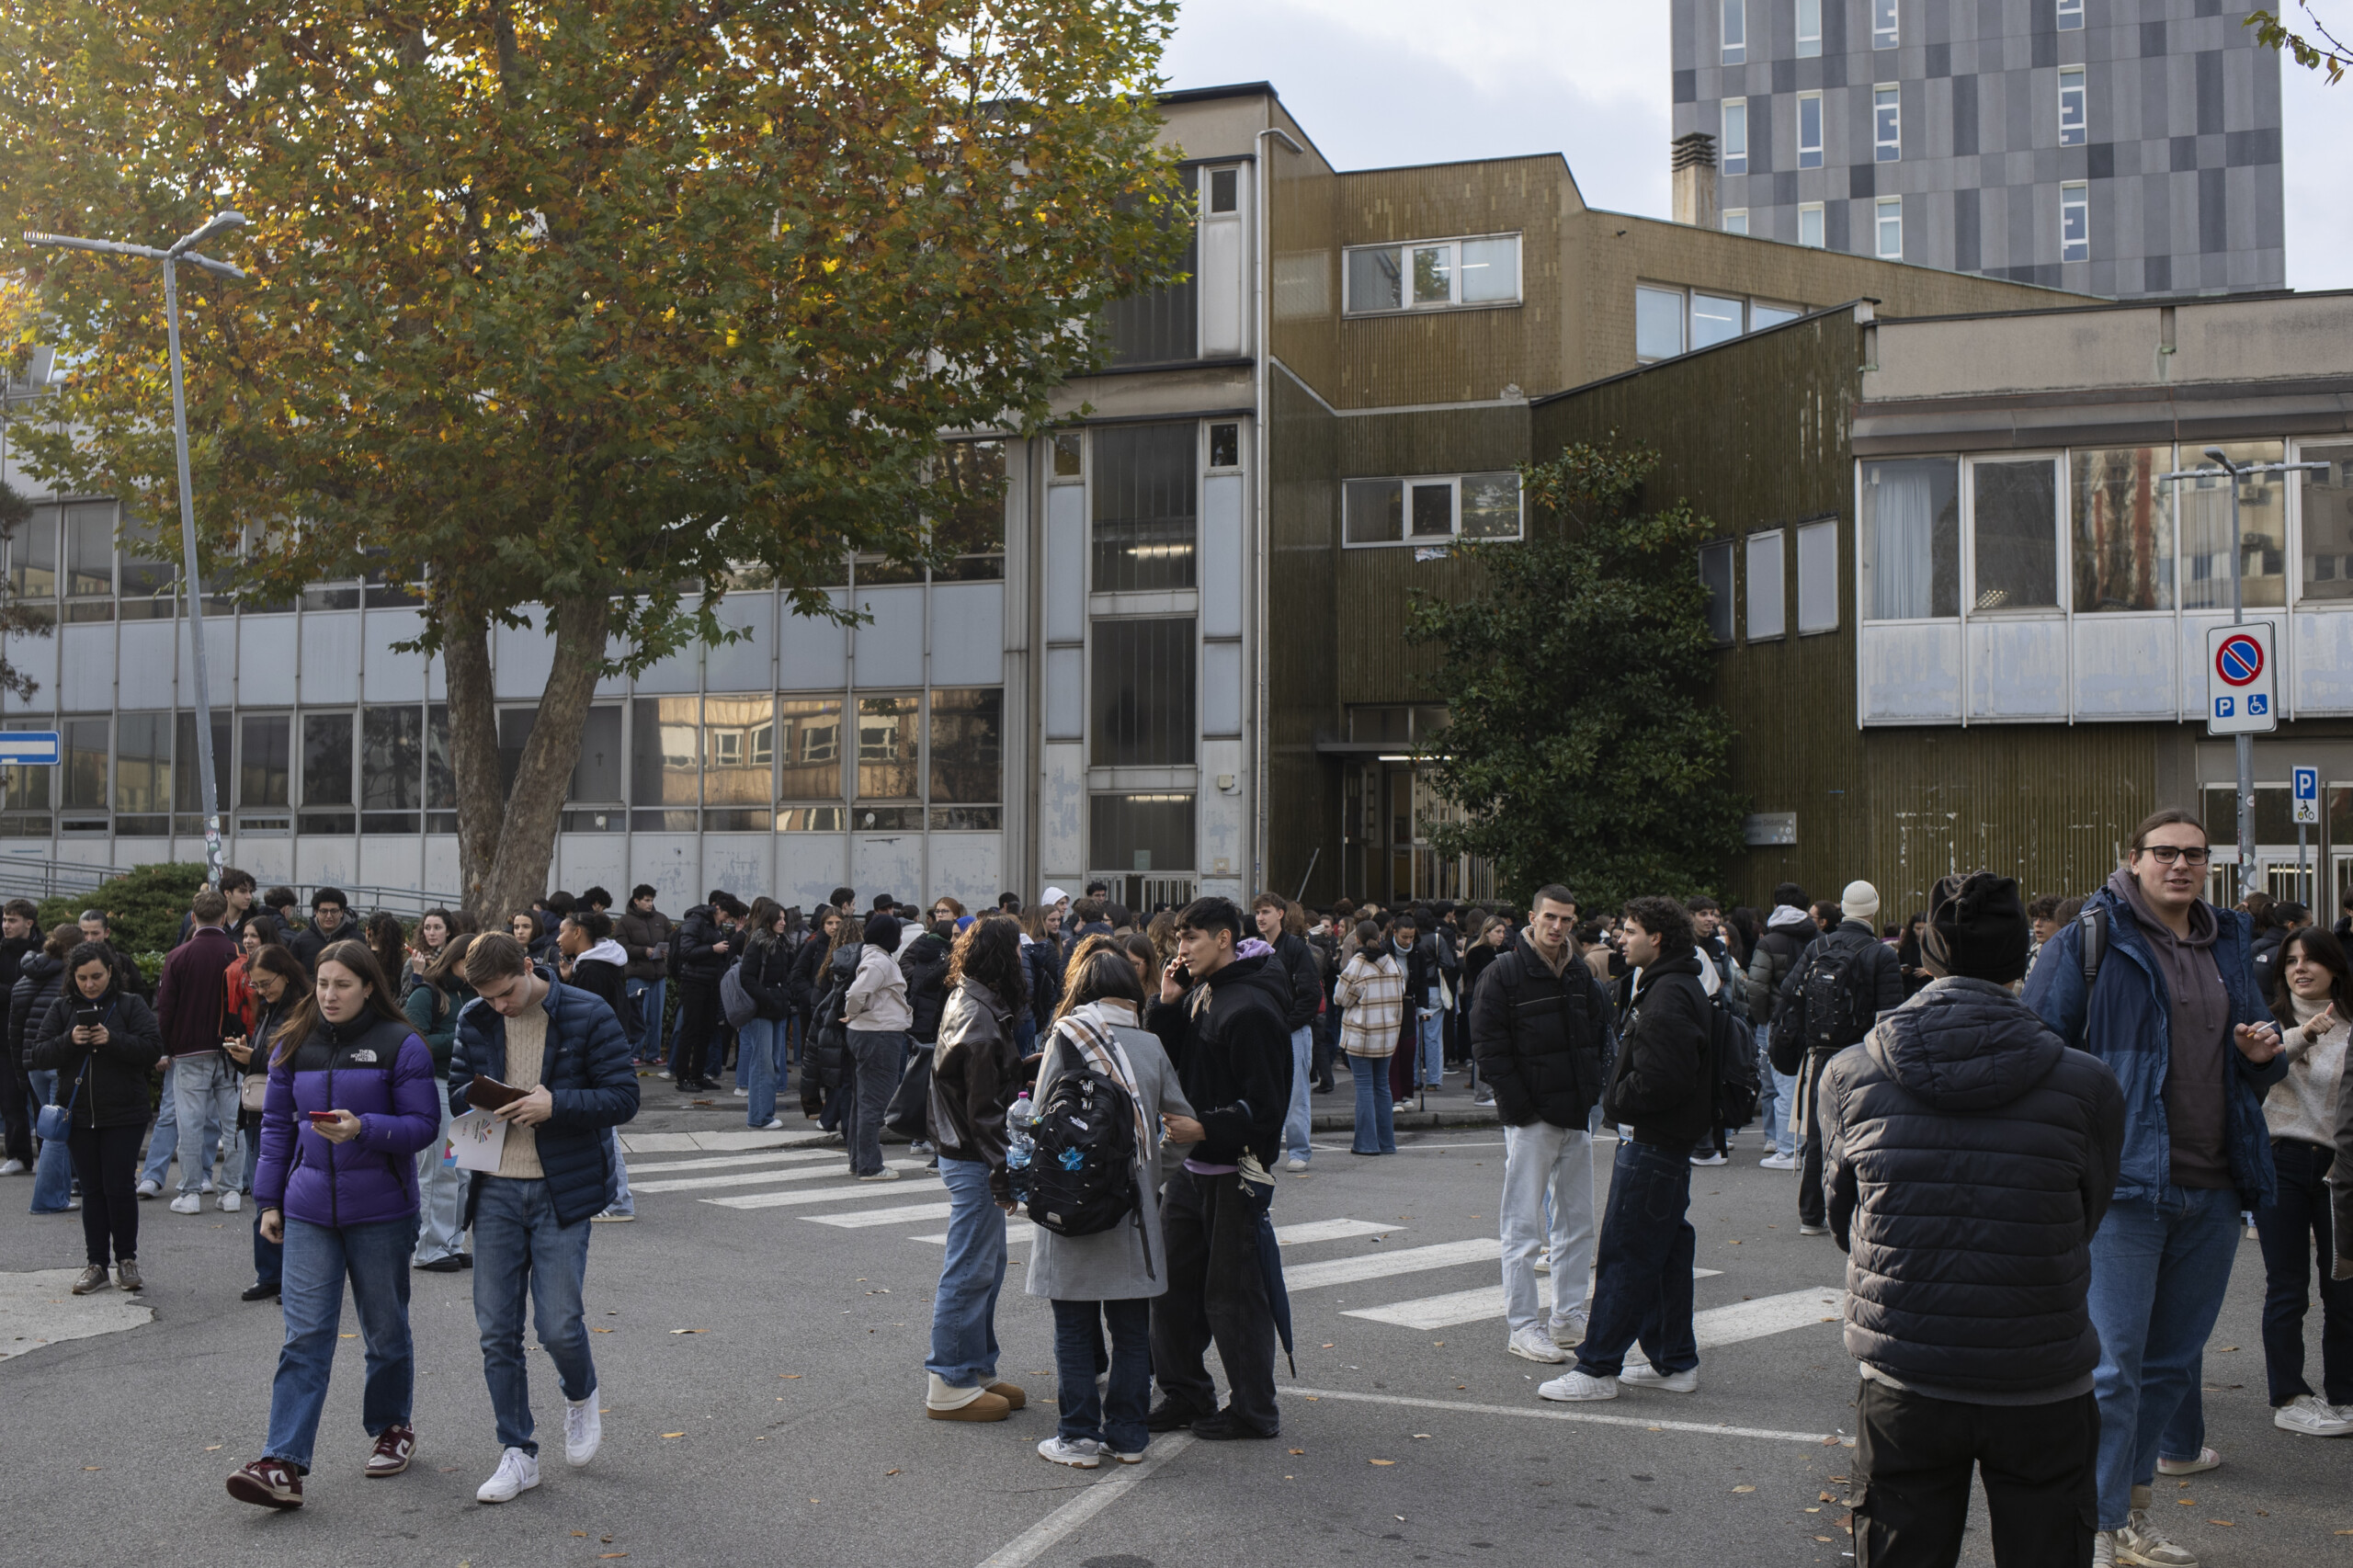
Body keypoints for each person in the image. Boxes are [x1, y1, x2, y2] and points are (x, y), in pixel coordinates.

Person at [1822, 870, 2124, 1563]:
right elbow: (2086, 1214)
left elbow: (1844, 1218)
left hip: (1906, 1365)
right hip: (2042, 1366)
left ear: (1928, 957)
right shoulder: (2086, 1082)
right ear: (2021, 960)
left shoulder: (1850, 1074)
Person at [2024, 808, 2287, 1567]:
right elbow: (2037, 1045)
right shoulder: (2091, 937)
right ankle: (2095, 1524)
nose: (2181, 865)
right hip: (2124, 1186)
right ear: (2133, 858)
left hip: (2215, 1185)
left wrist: (2261, 1054)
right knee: (2114, 1370)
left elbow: (2256, 1053)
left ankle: (2126, 1516)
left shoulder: (2227, 938)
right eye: (2166, 852)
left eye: (2195, 855)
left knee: (2171, 1367)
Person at [227, 938, 439, 1509]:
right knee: (304, 1336)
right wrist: (268, 1203)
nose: (329, 995)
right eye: (323, 983)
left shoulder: (401, 1043)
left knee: (385, 1330)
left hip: (382, 1211)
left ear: (368, 986)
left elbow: (423, 1126)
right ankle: (282, 1462)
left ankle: (392, 1428)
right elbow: (275, 1128)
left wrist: (363, 1128)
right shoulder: (292, 1041)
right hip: (307, 1210)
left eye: (342, 984)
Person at [448, 932, 641, 1505]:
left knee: (558, 1325)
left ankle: (580, 1394)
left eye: (506, 993)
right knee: (496, 1331)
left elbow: (623, 1097)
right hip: (494, 1187)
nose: (500, 1006)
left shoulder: (588, 1011)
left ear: (529, 967)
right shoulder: (475, 1017)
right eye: (487, 997)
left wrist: (555, 1104)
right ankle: (518, 1451)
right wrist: (484, 1097)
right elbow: (456, 1091)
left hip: (562, 1189)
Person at [1029, 947, 1201, 1467]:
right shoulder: (1150, 1044)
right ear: (1132, 990)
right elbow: (1185, 1126)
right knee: (1130, 1331)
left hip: (1072, 1203)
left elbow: (1040, 1121)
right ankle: (1128, 1436)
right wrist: (1150, 1174)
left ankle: (1078, 1438)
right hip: (1132, 1211)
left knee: (1073, 1328)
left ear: (1081, 990)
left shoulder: (1066, 1037)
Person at [1540, 896, 1711, 1403]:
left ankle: (1597, 1368)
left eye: (1631, 930)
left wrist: (1615, 1099)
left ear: (1656, 938)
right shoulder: (1672, 984)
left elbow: (1664, 1078)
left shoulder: (1668, 992)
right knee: (1665, 1256)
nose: (1621, 938)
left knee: (1626, 1254)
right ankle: (1674, 1361)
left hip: (1653, 1143)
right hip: (1663, 1144)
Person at [1142, 895, 1291, 1440]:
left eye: (1191, 939)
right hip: (1191, 1168)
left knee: (1234, 1297)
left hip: (1235, 1172)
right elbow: (1175, 1063)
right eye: (1179, 939)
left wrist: (1203, 1128)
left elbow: (1267, 1108)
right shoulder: (1204, 990)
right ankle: (1185, 1393)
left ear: (1224, 938)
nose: (1180, 950)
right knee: (1170, 1288)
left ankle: (1253, 1410)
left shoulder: (1250, 1007)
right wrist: (1168, 1004)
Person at [1472, 885, 1613, 1366]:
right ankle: (1523, 1325)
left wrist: (1589, 1094)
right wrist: (1520, 1109)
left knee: (1577, 1224)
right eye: (1550, 917)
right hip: (1532, 1118)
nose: (1558, 926)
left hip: (1575, 1114)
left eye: (1566, 919)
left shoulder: (1578, 972)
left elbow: (1596, 1035)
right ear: (1532, 918)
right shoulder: (1503, 972)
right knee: (1523, 1226)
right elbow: (1488, 1047)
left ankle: (1568, 1316)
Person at [922, 915, 1030, 1423]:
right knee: (970, 1268)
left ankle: (975, 1367)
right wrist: (1004, 1177)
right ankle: (949, 1380)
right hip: (972, 1156)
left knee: (986, 1264)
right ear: (1002, 958)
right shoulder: (981, 1016)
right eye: (1017, 952)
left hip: (965, 1152)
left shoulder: (972, 999)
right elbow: (985, 1113)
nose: (1023, 960)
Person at [2251, 925, 2353, 1437]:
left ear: (2335, 966)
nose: (2300, 968)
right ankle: (2289, 1396)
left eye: (2311, 959)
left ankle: (2346, 1394)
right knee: (2287, 1287)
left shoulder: (2351, 1027)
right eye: (2291, 960)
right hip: (2283, 1159)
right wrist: (2305, 1033)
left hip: (2341, 1166)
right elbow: (2261, 1064)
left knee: (2344, 1287)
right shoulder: (2267, 1025)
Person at [25, 941, 162, 1295]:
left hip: (124, 1114)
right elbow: (38, 1055)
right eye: (82, 977)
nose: (89, 984)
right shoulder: (62, 1007)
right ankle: (97, 1264)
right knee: (92, 1190)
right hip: (80, 1115)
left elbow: (152, 1049)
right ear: (73, 976)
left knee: (119, 1186)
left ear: (111, 972)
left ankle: (127, 1260)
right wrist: (70, 1040)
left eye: (97, 976)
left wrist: (112, 1039)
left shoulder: (130, 1004)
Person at [1772, 880, 1904, 1236]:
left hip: (1820, 1056)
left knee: (1820, 1135)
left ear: (1843, 909)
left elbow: (1789, 992)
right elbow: (1890, 1017)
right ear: (1874, 909)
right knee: (1865, 1135)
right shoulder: (1881, 954)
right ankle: (1855, 1211)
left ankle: (1810, 1213)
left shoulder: (1819, 945)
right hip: (1864, 1056)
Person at [155, 888, 243, 1215]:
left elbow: (166, 1009)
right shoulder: (236, 953)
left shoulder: (178, 956)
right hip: (231, 1050)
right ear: (224, 917)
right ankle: (231, 1190)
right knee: (233, 1124)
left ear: (193, 917)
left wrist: (166, 1048)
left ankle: (191, 1191)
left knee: (189, 1124)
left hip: (189, 1049)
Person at [232, 944, 308, 1301]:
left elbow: (295, 1060)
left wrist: (254, 1057)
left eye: (266, 982)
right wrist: (244, 1055)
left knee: (285, 1197)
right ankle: (270, 1274)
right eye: (256, 984)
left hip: (284, 1114)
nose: (261, 990)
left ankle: (290, 1277)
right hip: (257, 1110)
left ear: (286, 974)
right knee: (263, 1196)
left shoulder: (303, 1009)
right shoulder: (268, 1009)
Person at [405, 933, 477, 1272]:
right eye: (470, 961)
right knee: (440, 1171)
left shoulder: (480, 992)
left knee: (466, 1173)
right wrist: (462, 1036)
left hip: (474, 1089)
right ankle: (429, 1248)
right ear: (454, 958)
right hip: (438, 1085)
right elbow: (413, 1042)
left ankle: (451, 1242)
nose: (476, 968)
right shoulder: (427, 993)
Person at [1252, 893, 1323, 1173]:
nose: (1260, 918)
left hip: (1293, 1031)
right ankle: (1264, 1150)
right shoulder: (1255, 948)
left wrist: (1287, 1023)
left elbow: (1311, 993)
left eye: (1266, 912)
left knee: (1296, 1094)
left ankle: (1299, 1150)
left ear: (1280, 914)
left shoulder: (1295, 948)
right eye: (1258, 912)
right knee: (1263, 1091)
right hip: (1265, 1030)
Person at [1745, 884, 1813, 1171]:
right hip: (1811, 1020)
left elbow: (1756, 987)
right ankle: (1805, 1146)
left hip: (1779, 1022)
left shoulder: (1769, 942)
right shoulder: (1818, 939)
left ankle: (1786, 1148)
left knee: (1782, 1084)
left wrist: (1764, 1019)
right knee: (1806, 1084)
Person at [12, 922, 79, 1214]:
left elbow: (14, 1029)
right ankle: (50, 1198)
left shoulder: (26, 976)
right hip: (59, 1061)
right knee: (57, 1132)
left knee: (52, 1126)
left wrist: (21, 1069)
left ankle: (61, 1191)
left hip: (33, 1063)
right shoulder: (71, 979)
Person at [841, 910, 912, 1181]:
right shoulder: (879, 961)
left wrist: (854, 1014)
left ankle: (859, 1161)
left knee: (862, 1102)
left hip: (868, 1032)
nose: (900, 939)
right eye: (898, 934)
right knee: (874, 1104)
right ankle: (870, 1166)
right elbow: (857, 993)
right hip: (878, 1034)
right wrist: (853, 1011)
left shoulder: (872, 955)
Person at [1333, 920, 1404, 1156]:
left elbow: (1340, 998)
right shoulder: (1392, 962)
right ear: (1380, 937)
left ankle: (1366, 1143)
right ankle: (1386, 1142)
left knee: (1364, 1086)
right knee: (1382, 1085)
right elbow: (1401, 990)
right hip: (1387, 1034)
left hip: (1361, 1034)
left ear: (1357, 939)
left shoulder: (1357, 964)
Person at [737, 901, 800, 1132]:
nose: (783, 922)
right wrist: (769, 998)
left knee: (773, 1063)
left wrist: (784, 996)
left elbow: (789, 975)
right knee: (763, 1064)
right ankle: (758, 1117)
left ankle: (765, 1114)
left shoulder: (783, 944)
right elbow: (746, 977)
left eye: (784, 919)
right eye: (779, 919)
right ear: (768, 920)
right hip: (762, 1011)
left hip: (777, 1010)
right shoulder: (758, 944)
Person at [0, 897, 40, 1175]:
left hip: (36, 1038)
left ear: (29, 923)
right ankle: (18, 1155)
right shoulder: (2, 950)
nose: (6, 925)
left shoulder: (43, 951)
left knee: (42, 1102)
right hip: (5, 1039)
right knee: (10, 1100)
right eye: (4, 920)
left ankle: (48, 1153)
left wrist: (10, 991)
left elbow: (36, 991)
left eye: (12, 920)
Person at [614, 885, 675, 1063]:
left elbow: (671, 940)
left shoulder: (661, 919)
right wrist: (643, 951)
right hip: (637, 975)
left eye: (651, 900)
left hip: (658, 975)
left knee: (656, 1018)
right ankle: (633, 1053)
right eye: (646, 900)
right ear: (636, 900)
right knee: (636, 1016)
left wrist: (666, 951)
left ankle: (653, 1054)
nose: (650, 904)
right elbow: (621, 947)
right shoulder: (625, 921)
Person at [288, 888, 351, 972]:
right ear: (316, 912)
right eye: (324, 911)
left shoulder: (355, 939)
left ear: (342, 912)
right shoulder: (301, 940)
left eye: (334, 911)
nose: (329, 916)